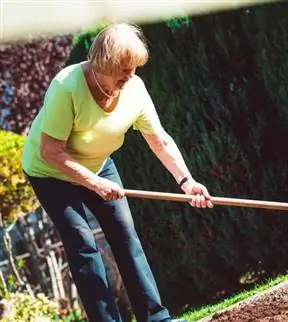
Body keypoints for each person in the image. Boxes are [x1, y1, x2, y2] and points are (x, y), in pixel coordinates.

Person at [21, 23, 213, 322]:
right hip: (52, 171)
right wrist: (93, 183)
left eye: (133, 68)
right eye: (122, 68)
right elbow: (50, 151)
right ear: (101, 63)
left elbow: (159, 139)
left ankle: (155, 317)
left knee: (124, 231)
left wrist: (186, 181)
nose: (129, 75)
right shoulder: (67, 86)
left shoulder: (133, 88)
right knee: (82, 242)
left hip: (98, 163)